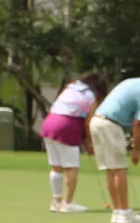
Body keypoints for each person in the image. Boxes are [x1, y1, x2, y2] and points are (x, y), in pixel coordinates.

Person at [89, 69, 140, 223]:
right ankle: (124, 213)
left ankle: (118, 212)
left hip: (96, 122)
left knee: (111, 169)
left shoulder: (133, 81)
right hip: (111, 125)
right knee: (120, 169)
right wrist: (136, 149)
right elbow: (138, 123)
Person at [39, 71, 107, 213]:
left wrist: (86, 142)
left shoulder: (70, 88)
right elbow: (88, 123)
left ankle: (56, 201)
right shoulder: (90, 96)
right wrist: (90, 143)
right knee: (71, 167)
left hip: (49, 122)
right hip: (66, 126)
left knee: (56, 166)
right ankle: (68, 203)